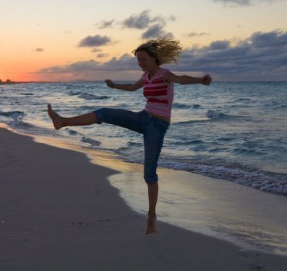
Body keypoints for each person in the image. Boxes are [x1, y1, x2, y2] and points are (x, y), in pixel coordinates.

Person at [47, 38, 212, 234]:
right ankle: (63, 121)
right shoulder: (146, 77)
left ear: (154, 58)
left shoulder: (164, 74)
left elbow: (181, 79)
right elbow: (132, 88)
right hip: (142, 118)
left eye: (143, 59)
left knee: (149, 174)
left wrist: (200, 80)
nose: (141, 63)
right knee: (105, 113)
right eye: (138, 61)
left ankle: (152, 218)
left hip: (157, 127)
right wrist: (114, 86)